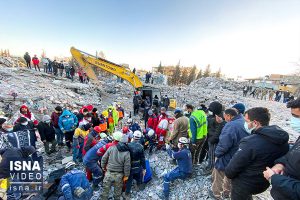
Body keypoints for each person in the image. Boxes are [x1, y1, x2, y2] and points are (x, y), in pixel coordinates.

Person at [225, 107, 289, 200]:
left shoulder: (250, 142)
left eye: (247, 121)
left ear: (255, 123)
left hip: (244, 184)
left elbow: (232, 169)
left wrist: (228, 174)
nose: (245, 124)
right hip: (265, 182)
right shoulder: (281, 139)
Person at [263, 97, 300, 200]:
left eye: (297, 117)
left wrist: (274, 178)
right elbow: (292, 154)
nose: (294, 121)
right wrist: (280, 164)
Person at [210, 108, 249, 199]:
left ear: (229, 116)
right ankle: (227, 193)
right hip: (239, 154)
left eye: (225, 117)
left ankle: (217, 194)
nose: (224, 119)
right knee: (231, 175)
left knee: (219, 173)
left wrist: (217, 153)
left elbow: (224, 143)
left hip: (229, 154)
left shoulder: (231, 125)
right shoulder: (243, 121)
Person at [100, 132, 131, 200]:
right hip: (119, 175)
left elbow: (104, 158)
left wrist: (103, 167)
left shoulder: (111, 148)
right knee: (117, 193)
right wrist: (126, 175)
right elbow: (127, 166)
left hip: (109, 173)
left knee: (105, 192)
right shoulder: (127, 153)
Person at [204, 101, 224, 173]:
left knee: (212, 154)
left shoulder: (219, 118)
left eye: (211, 109)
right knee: (210, 153)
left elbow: (218, 130)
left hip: (214, 140)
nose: (209, 111)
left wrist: (212, 139)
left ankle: (211, 169)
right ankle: (210, 166)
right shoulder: (214, 116)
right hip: (211, 138)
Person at [125, 130, 146, 198]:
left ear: (133, 136)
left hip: (130, 166)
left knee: (129, 180)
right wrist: (144, 168)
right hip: (138, 166)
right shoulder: (141, 147)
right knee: (138, 176)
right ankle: (138, 185)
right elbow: (143, 158)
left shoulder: (128, 145)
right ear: (139, 138)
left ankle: (127, 193)